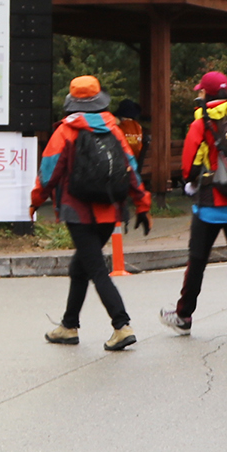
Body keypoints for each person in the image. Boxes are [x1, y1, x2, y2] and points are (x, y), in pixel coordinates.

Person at [33, 76, 138, 348]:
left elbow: (48, 174)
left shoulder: (66, 131)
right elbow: (131, 168)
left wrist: (34, 202)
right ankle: (69, 326)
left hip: (77, 212)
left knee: (96, 268)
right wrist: (143, 203)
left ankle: (122, 325)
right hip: (110, 210)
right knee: (79, 267)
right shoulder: (113, 129)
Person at [167, 71, 227, 338]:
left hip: (211, 205)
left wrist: (189, 183)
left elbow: (188, 163)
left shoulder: (202, 122)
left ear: (207, 94)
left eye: (201, 91)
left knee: (197, 260)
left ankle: (184, 315)